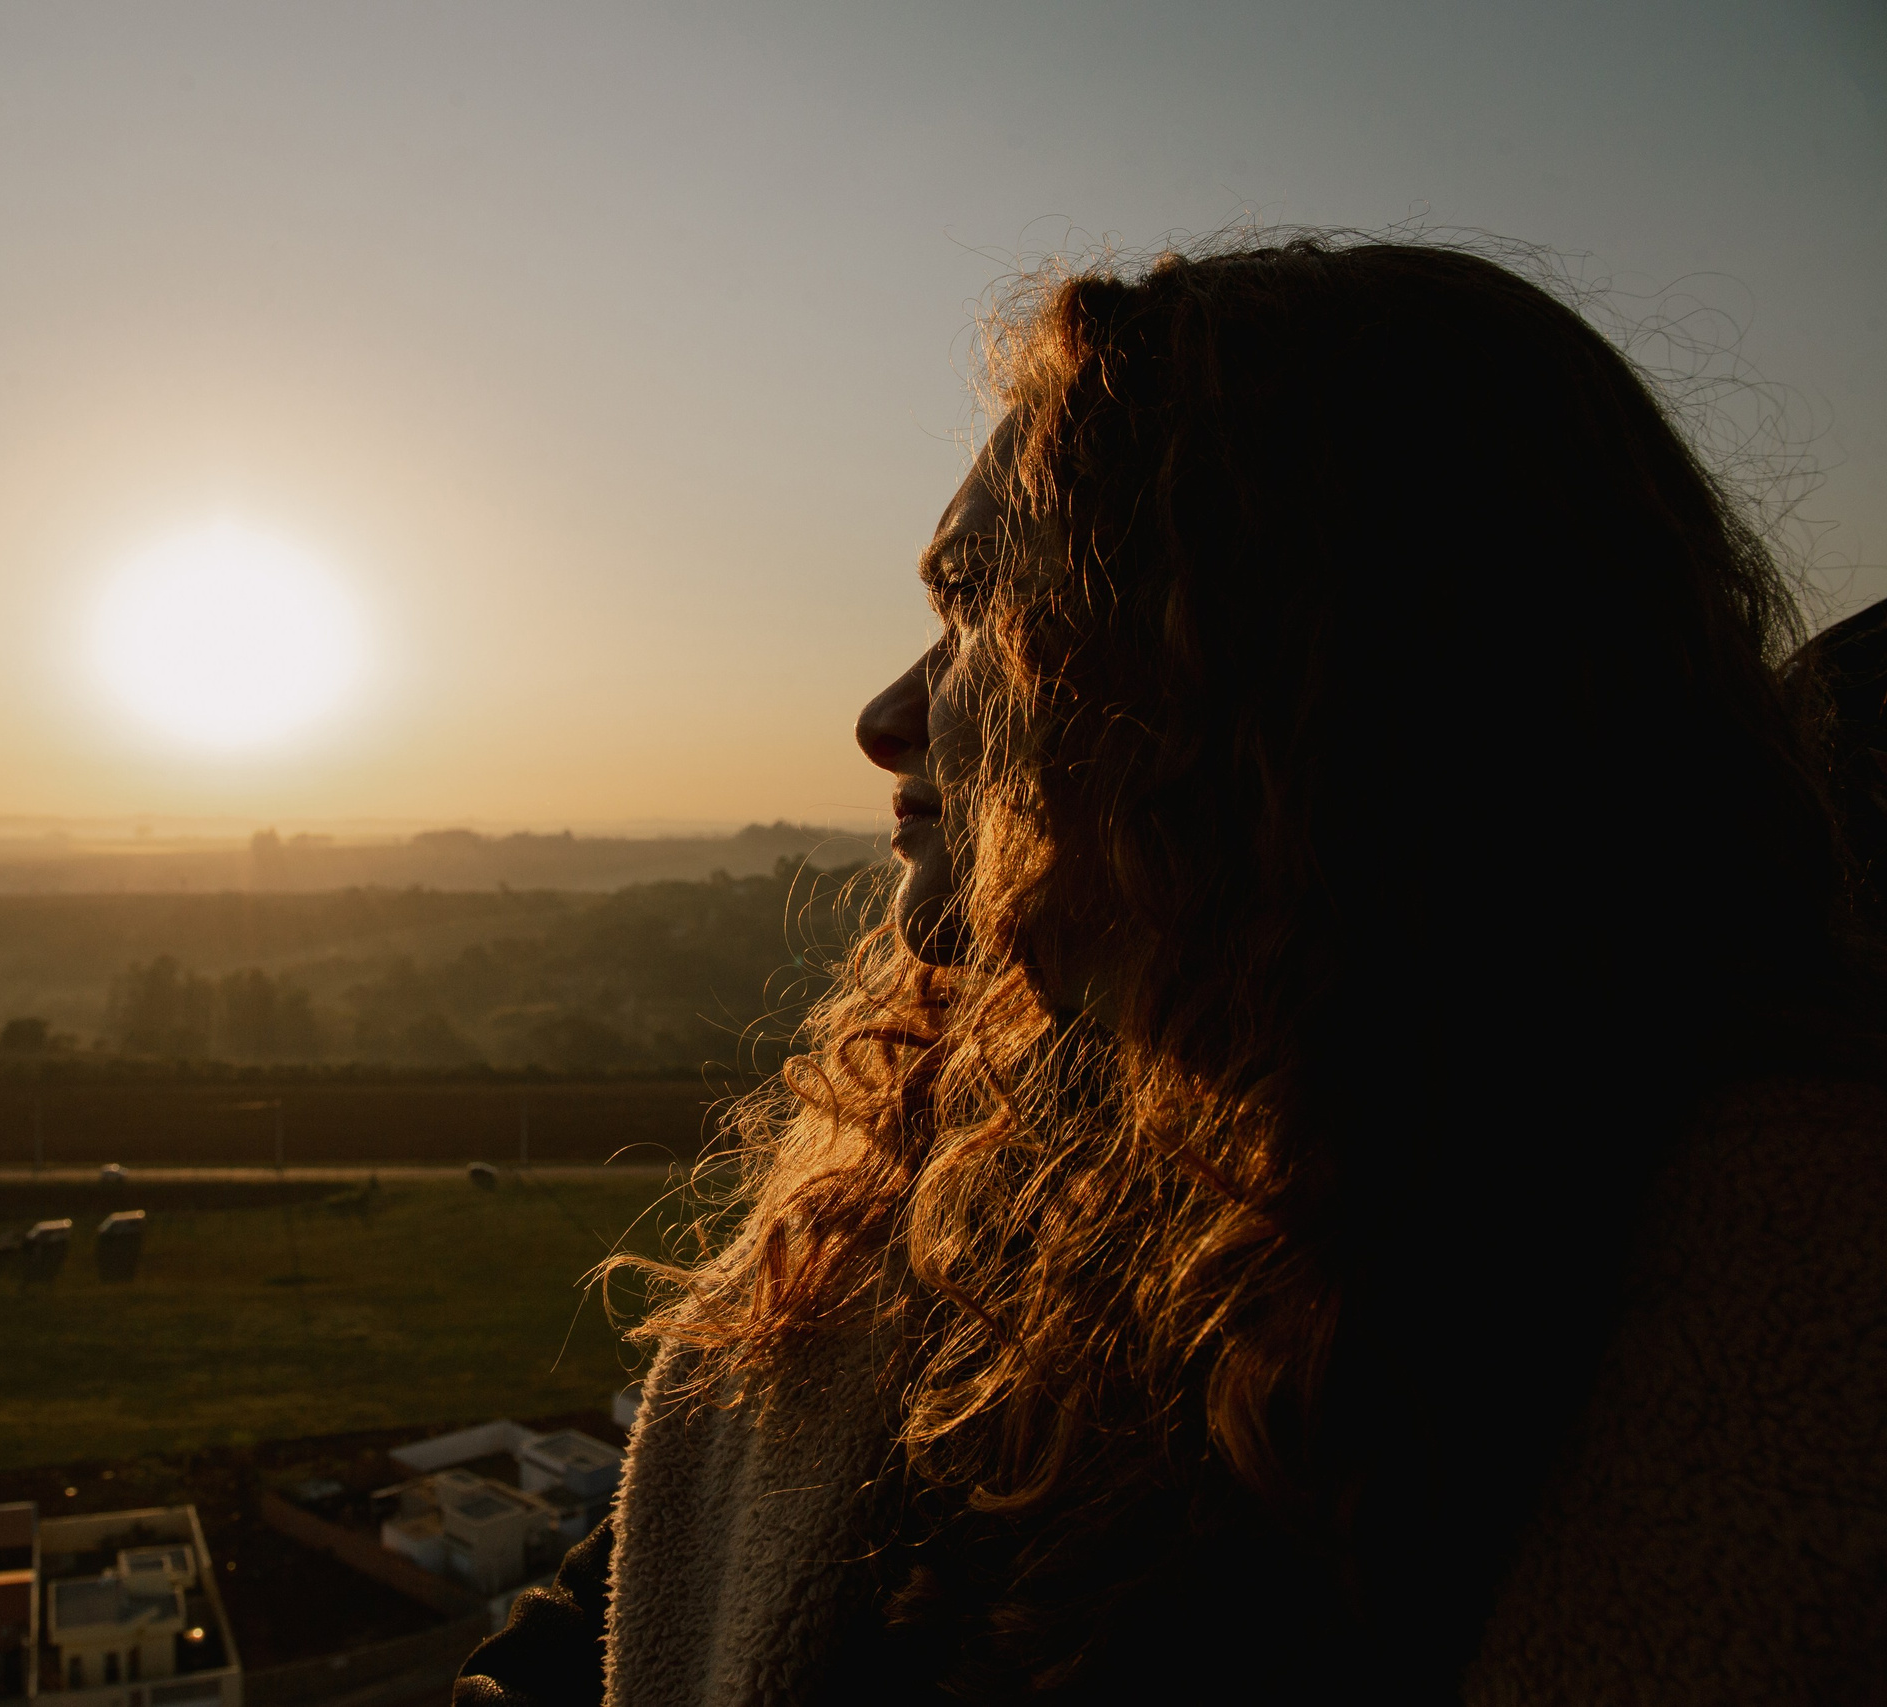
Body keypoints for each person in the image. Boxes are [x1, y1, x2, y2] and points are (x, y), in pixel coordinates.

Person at [456, 236, 1887, 1705]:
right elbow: (636, 1602)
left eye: (981, 615)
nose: (888, 718)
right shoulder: (986, 1161)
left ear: (1260, 685)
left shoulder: (1704, 1321)